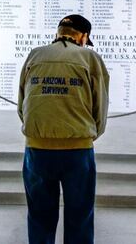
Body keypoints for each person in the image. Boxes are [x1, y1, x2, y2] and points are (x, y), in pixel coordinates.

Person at [18, 14, 110, 244]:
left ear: (57, 33)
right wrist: (89, 133)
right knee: (79, 215)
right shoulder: (90, 58)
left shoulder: (35, 55)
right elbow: (100, 106)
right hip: (78, 151)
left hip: (37, 150)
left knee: (40, 215)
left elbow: (22, 105)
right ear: (83, 36)